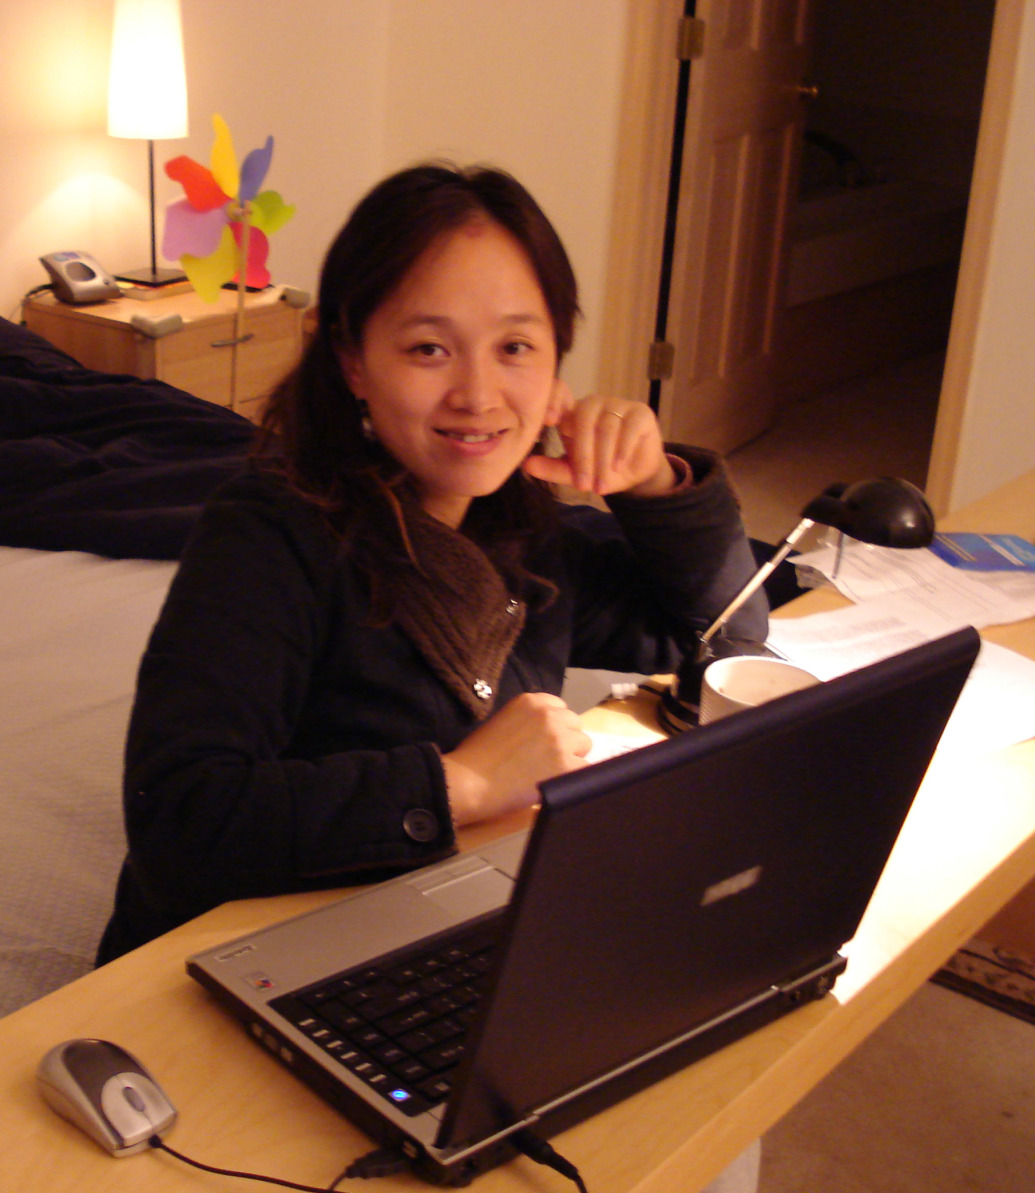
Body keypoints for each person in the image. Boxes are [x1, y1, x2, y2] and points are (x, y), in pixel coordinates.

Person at [97, 162, 767, 964]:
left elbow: (722, 642)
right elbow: (180, 820)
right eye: (428, 349)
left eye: (515, 347)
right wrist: (463, 783)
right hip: (243, 966)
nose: (478, 395)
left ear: (556, 364)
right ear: (351, 361)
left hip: (440, 928)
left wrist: (655, 486)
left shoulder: (524, 528)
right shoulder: (267, 536)